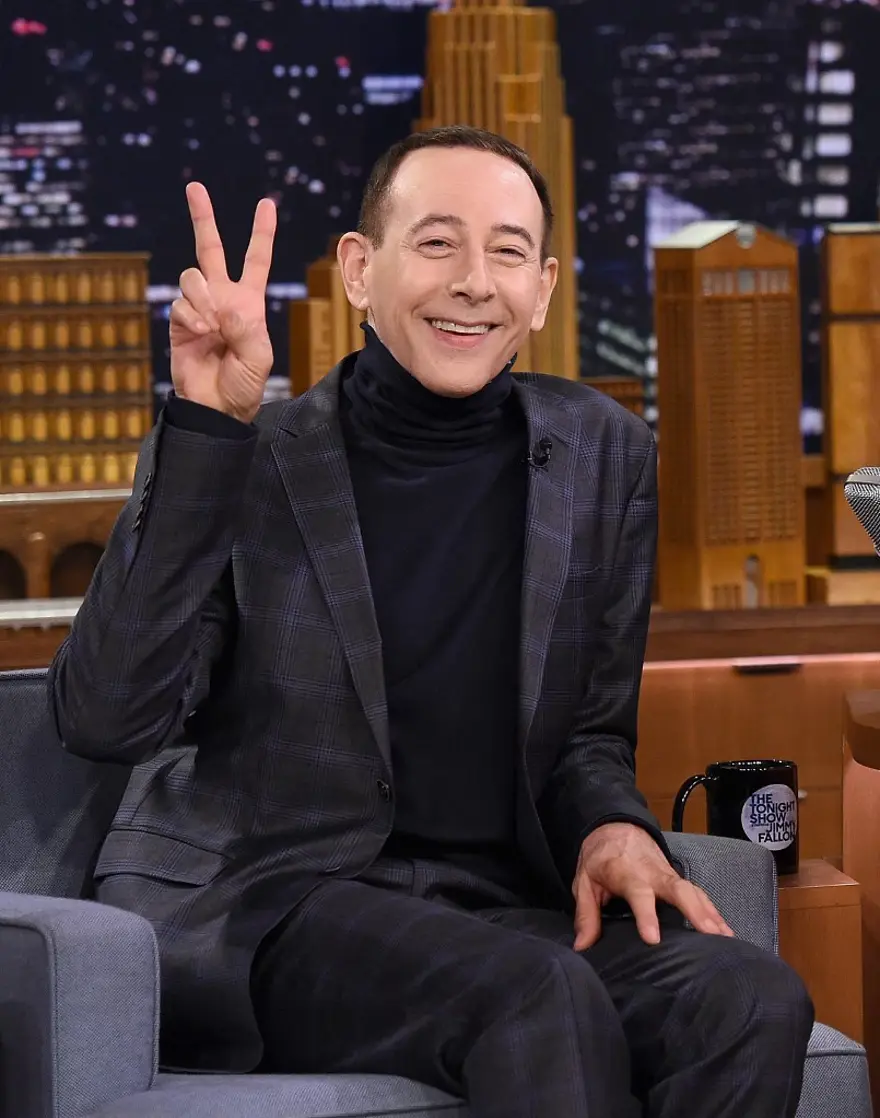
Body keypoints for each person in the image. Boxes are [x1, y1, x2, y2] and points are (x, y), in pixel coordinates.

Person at [48, 125, 812, 1117]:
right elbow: (106, 717)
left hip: (498, 912)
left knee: (748, 999)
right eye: (438, 242)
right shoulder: (251, 455)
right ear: (360, 271)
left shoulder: (603, 454)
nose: (474, 282)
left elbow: (588, 736)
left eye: (507, 251)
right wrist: (204, 426)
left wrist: (613, 827)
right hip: (275, 905)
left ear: (543, 289)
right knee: (536, 995)